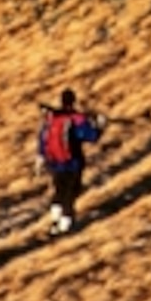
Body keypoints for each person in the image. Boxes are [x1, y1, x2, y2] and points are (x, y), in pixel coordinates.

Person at [35, 88, 105, 234]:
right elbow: (91, 136)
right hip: (73, 163)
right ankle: (66, 226)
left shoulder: (52, 118)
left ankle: (55, 222)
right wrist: (99, 126)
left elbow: (43, 138)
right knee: (70, 193)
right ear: (73, 101)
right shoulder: (76, 119)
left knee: (59, 191)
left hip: (54, 162)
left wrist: (41, 156)